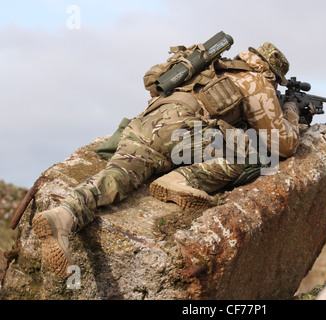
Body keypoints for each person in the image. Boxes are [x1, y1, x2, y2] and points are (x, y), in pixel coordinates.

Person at [31, 41, 301, 277]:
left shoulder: (214, 63)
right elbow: (283, 144)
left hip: (143, 127)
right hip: (182, 136)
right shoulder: (257, 82)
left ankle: (63, 215)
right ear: (270, 72)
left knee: (115, 178)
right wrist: (291, 111)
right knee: (259, 156)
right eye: (276, 81)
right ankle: (181, 179)